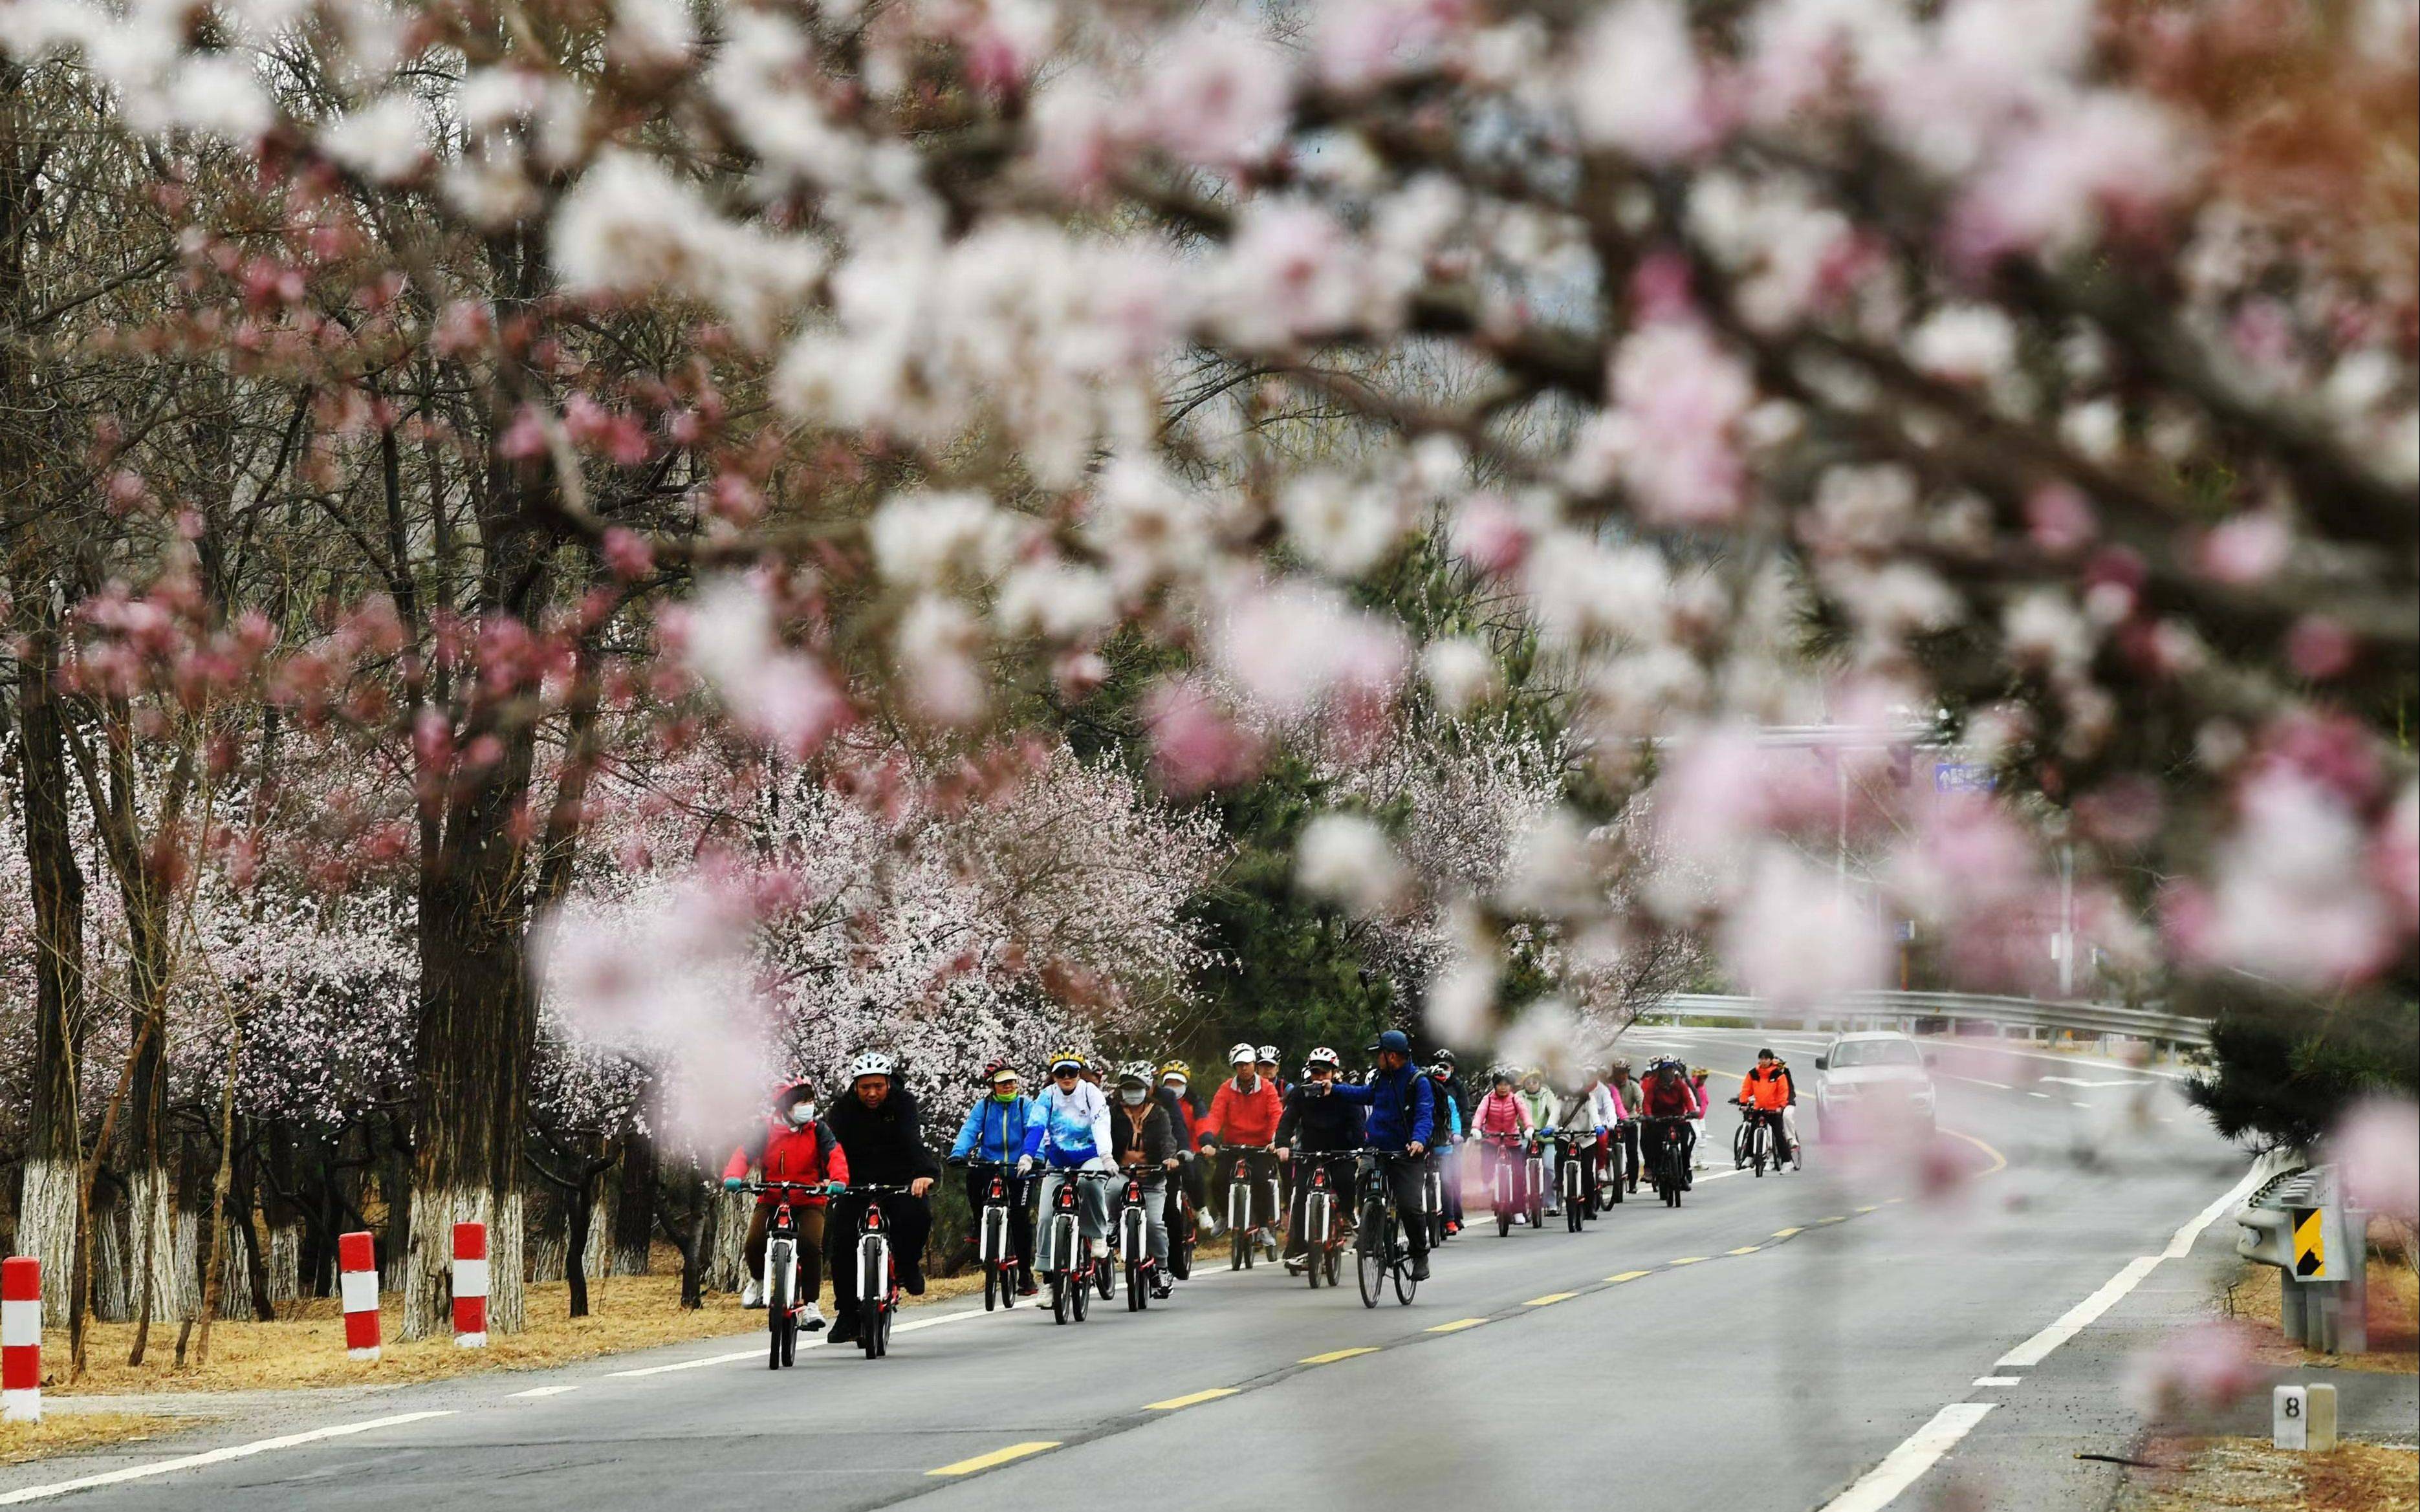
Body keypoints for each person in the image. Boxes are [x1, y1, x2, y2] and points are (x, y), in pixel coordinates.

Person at [821, 1052, 940, 1344]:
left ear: (888, 1084)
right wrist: (828, 1176)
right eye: (865, 1088)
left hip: (899, 1178)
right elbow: (831, 1148)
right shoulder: (842, 1109)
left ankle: (908, 1265)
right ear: (855, 1087)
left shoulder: (903, 1103)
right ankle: (847, 1313)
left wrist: (923, 1174)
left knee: (918, 1215)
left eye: (878, 1086)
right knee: (842, 1239)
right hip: (855, 1182)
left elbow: (914, 1140)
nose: (872, 1093)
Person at [721, 1075, 845, 1330]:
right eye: (801, 1101)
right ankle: (757, 1281)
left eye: (810, 1100)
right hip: (772, 1197)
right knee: (755, 1240)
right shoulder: (765, 1129)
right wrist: (733, 1176)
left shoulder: (818, 1130)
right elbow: (744, 1154)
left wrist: (839, 1179)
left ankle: (810, 1304)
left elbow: (835, 1154)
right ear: (784, 1106)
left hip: (810, 1199)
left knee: (811, 1244)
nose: (808, 1106)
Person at [1327, 1030, 1435, 1280]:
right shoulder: (1380, 1079)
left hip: (1407, 1152)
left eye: (1380, 1054)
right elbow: (1364, 1094)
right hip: (1378, 1147)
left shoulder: (1418, 1082)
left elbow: (1424, 1115)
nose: (1377, 1058)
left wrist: (1419, 1140)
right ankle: (1370, 1231)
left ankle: (1420, 1254)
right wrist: (1335, 1089)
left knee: (1409, 1205)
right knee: (1365, 1179)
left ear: (1393, 1056)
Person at [1020, 1050, 1115, 1277]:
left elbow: (1101, 1124)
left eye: (1071, 1071)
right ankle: (1047, 1277)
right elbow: (1036, 1126)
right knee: (1044, 1216)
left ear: (1079, 1073)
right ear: (1053, 1076)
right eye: (1060, 1072)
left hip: (1090, 1157)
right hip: (1058, 1161)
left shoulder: (1091, 1093)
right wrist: (1027, 1155)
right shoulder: (1047, 1096)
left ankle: (1097, 1234)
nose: (1066, 1077)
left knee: (1090, 1183)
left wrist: (1106, 1156)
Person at [948, 1061, 1039, 1295]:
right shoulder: (985, 1107)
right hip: (991, 1163)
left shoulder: (1025, 1105)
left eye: (1011, 1081)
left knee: (1020, 1219)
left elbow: (1036, 1131)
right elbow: (970, 1129)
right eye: (1002, 1083)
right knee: (973, 1176)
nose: (1008, 1086)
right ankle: (980, 1225)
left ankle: (1025, 1275)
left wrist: (1035, 1157)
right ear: (992, 1086)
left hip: (1021, 1167)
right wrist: (959, 1153)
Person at [1272, 1047, 1364, 1272]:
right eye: (1316, 1073)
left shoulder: (1346, 1094)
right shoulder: (1300, 1094)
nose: (1320, 1078)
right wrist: (1283, 1144)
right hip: (1310, 1153)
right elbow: (1287, 1121)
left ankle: (1345, 1215)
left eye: (1325, 1073)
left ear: (1334, 1073)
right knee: (1300, 1196)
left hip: (1341, 1152)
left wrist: (1359, 1147)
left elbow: (1357, 1124)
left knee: (1345, 1180)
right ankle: (1301, 1247)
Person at [1197, 1042, 1283, 1244]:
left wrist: (1275, 1140)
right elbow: (1215, 1116)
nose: (1243, 1068)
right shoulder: (1227, 1088)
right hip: (1232, 1145)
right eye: (1239, 1065)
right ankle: (1224, 1215)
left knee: (1261, 1181)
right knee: (1218, 1180)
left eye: (1247, 1064)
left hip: (1261, 1147)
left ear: (1254, 1064)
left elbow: (1276, 1116)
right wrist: (1209, 1141)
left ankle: (1263, 1227)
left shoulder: (1268, 1089)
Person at [1109, 1063, 1181, 1298]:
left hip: (1152, 1176)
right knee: (1110, 1190)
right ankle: (1112, 1223)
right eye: (1128, 1089)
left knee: (1155, 1224)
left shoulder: (1158, 1113)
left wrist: (1170, 1158)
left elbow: (1167, 1139)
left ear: (1147, 1088)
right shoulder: (1113, 1112)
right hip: (1122, 1173)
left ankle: (1162, 1268)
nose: (1132, 1093)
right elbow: (1103, 1137)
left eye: (1137, 1088)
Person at [1468, 1068, 1534, 1219]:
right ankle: (1489, 1183)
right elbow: (1480, 1114)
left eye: (1506, 1084)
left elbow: (1524, 1114)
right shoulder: (1488, 1099)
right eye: (1500, 1084)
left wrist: (1529, 1128)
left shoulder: (1515, 1099)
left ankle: (1518, 1210)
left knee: (1518, 1174)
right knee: (1487, 1160)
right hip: (1492, 1138)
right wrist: (1476, 1128)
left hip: (1512, 1140)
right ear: (1495, 1085)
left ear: (1511, 1086)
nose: (1503, 1087)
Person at [1558, 1066, 1620, 1208]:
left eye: (1594, 1075)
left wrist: (1611, 1123)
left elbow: (1610, 1107)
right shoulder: (1576, 1092)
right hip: (1578, 1128)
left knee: (1603, 1139)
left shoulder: (1602, 1090)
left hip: (1598, 1125)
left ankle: (1601, 1168)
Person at [1637, 1056, 1701, 1188]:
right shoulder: (1653, 1085)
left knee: (1684, 1145)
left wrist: (1692, 1111)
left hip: (1678, 1118)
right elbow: (1647, 1103)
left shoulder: (1680, 1085)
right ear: (1661, 1071)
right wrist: (1649, 1115)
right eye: (1666, 1070)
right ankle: (1656, 1169)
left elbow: (1688, 1100)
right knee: (1653, 1142)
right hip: (1659, 1119)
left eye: (1671, 1069)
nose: (1669, 1072)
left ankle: (1683, 1175)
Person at [1426, 1052, 1467, 1235]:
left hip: (1445, 1145)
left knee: (1447, 1181)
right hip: (1426, 1146)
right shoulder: (1422, 1098)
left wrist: (1457, 1134)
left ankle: (1450, 1219)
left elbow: (1456, 1118)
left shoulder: (1449, 1099)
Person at [1736, 1048, 1796, 1168]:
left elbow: (1783, 1092)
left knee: (1778, 1134)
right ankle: (1749, 1157)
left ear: (1771, 1060)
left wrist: (1781, 1106)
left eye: (1766, 1059)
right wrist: (1743, 1102)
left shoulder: (1778, 1074)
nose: (1763, 1061)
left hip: (1774, 1109)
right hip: (1759, 1107)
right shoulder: (1753, 1073)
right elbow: (1746, 1089)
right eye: (1761, 1059)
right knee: (1753, 1129)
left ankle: (1787, 1161)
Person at [1514, 1068, 1562, 1215]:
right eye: (1528, 1082)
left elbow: (1554, 1112)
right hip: (1525, 1136)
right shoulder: (1518, 1096)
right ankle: (1520, 1201)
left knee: (1549, 1168)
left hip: (1545, 1137)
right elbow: (1514, 1114)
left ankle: (1551, 1203)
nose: (1532, 1085)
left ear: (1540, 1083)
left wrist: (1551, 1127)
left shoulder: (1547, 1095)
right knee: (1518, 1166)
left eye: (1535, 1082)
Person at [1610, 1059, 1646, 1193]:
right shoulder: (1609, 1086)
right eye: (1619, 1073)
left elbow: (1642, 1101)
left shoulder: (1633, 1085)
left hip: (1630, 1120)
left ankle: (1632, 1183)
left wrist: (1642, 1113)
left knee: (1632, 1152)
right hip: (1612, 1121)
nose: (1622, 1076)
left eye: (1624, 1073)